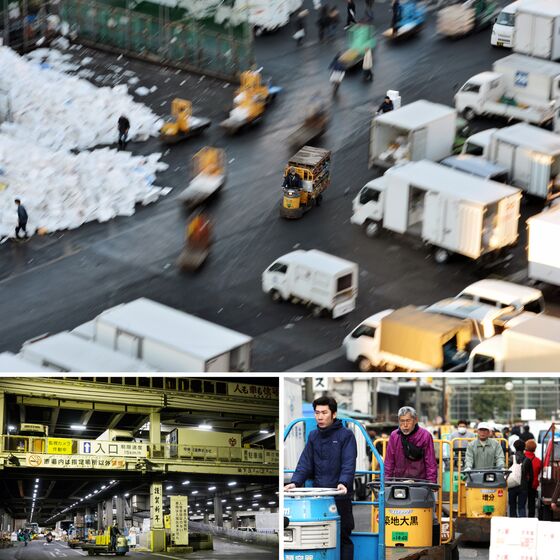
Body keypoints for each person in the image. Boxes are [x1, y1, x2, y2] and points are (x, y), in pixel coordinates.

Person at [285, 396, 357, 560]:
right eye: (317, 412)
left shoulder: (346, 435)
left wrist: (343, 483)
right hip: (319, 497)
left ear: (334, 414)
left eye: (324, 412)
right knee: (320, 537)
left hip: (340, 495)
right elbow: (305, 462)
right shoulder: (313, 436)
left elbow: (348, 462)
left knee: (343, 536)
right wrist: (295, 482)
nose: (320, 416)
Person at [384, 406, 438, 483]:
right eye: (402, 421)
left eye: (408, 421)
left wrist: (432, 481)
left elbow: (430, 461)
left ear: (416, 420)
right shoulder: (394, 435)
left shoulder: (425, 435)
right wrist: (386, 481)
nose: (405, 425)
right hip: (400, 480)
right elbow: (389, 461)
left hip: (420, 481)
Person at [509, 439, 533, 518]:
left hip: (512, 484)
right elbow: (531, 476)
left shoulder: (511, 458)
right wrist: (529, 487)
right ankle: (522, 525)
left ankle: (513, 524)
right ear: (524, 448)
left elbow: (506, 472)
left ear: (514, 447)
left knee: (512, 506)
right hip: (523, 486)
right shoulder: (528, 460)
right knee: (522, 507)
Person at [524, 439, 542, 518]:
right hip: (533, 484)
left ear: (526, 447)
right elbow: (539, 473)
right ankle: (531, 519)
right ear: (535, 448)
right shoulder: (538, 461)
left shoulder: (522, 458)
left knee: (522, 503)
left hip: (523, 483)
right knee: (531, 503)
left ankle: (521, 518)